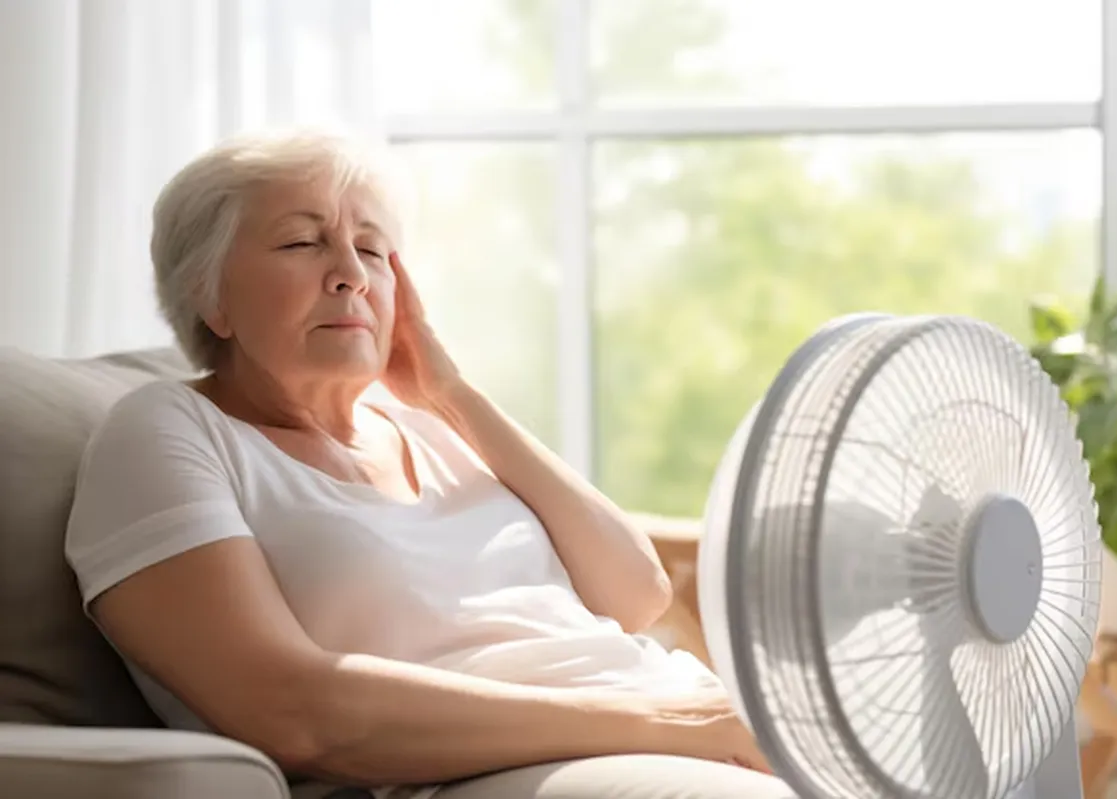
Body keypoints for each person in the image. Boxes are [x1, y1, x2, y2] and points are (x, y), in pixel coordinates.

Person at [63, 131, 794, 799]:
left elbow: (634, 592)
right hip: (486, 771)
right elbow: (294, 711)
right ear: (209, 295)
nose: (350, 273)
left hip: (676, 720)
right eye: (301, 244)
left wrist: (453, 392)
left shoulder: (434, 427)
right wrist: (669, 724)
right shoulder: (168, 430)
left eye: (374, 249)